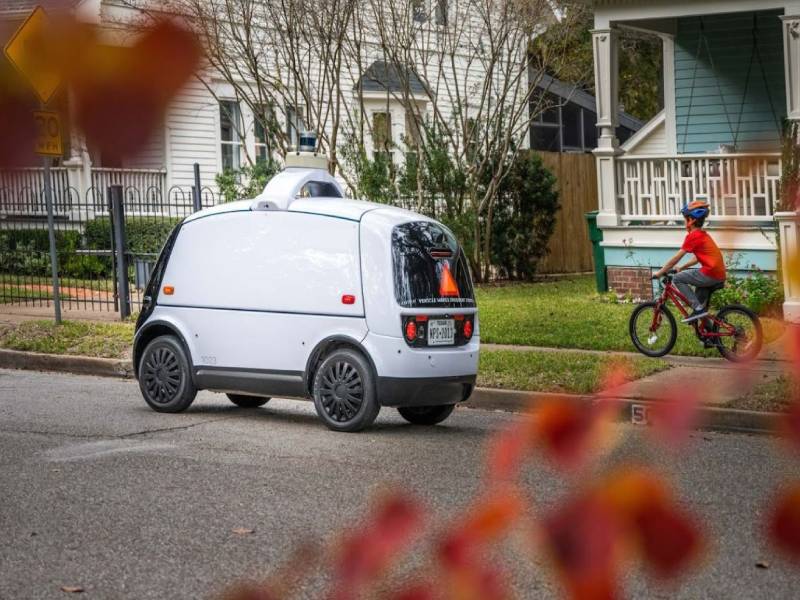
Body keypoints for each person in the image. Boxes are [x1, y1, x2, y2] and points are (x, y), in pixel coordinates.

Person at [652, 201, 726, 323]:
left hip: (710, 274)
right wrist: (683, 267)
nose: (684, 222)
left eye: (685, 219)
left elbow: (676, 258)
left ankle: (698, 309)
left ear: (691, 220)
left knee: (677, 279)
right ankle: (710, 335)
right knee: (699, 305)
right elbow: (698, 257)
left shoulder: (693, 236)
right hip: (716, 274)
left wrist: (660, 272)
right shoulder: (702, 235)